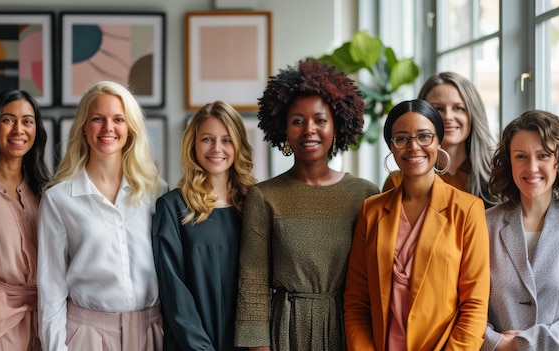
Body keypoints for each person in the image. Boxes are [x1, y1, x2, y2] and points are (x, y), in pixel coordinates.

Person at [234, 59, 380, 351]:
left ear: (337, 126)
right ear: (284, 130)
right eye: (297, 121)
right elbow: (252, 281)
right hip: (285, 329)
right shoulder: (264, 197)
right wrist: (258, 346)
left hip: (350, 328)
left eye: (320, 120)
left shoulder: (365, 194)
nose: (309, 129)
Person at [345, 99, 490, 350]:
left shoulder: (467, 210)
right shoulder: (372, 210)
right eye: (401, 138)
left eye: (424, 136)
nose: (413, 147)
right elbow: (357, 301)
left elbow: (474, 304)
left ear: (438, 140)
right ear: (391, 146)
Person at [37, 81, 166, 351]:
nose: (108, 128)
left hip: (152, 332)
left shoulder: (157, 192)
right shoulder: (58, 199)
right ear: (84, 126)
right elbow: (51, 288)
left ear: (130, 128)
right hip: (86, 336)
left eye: (118, 119)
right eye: (98, 119)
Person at [482, 110, 559, 351]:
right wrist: (495, 343)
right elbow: (460, 304)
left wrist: (522, 345)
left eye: (543, 155)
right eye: (521, 156)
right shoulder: (483, 224)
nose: (532, 168)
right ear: (509, 162)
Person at [152, 101, 256, 350]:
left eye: (227, 140)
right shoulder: (172, 207)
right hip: (190, 344)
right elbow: (173, 290)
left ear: (238, 144)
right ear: (194, 144)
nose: (216, 149)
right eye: (207, 139)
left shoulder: (255, 205)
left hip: (246, 342)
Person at [0, 89, 51, 350]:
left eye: (27, 121)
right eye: (7, 120)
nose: (19, 130)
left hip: (44, 329)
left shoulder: (46, 192)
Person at [383, 72, 497, 208]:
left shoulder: (496, 177)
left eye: (458, 108)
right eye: (438, 109)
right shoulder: (397, 182)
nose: (448, 116)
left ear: (473, 115)